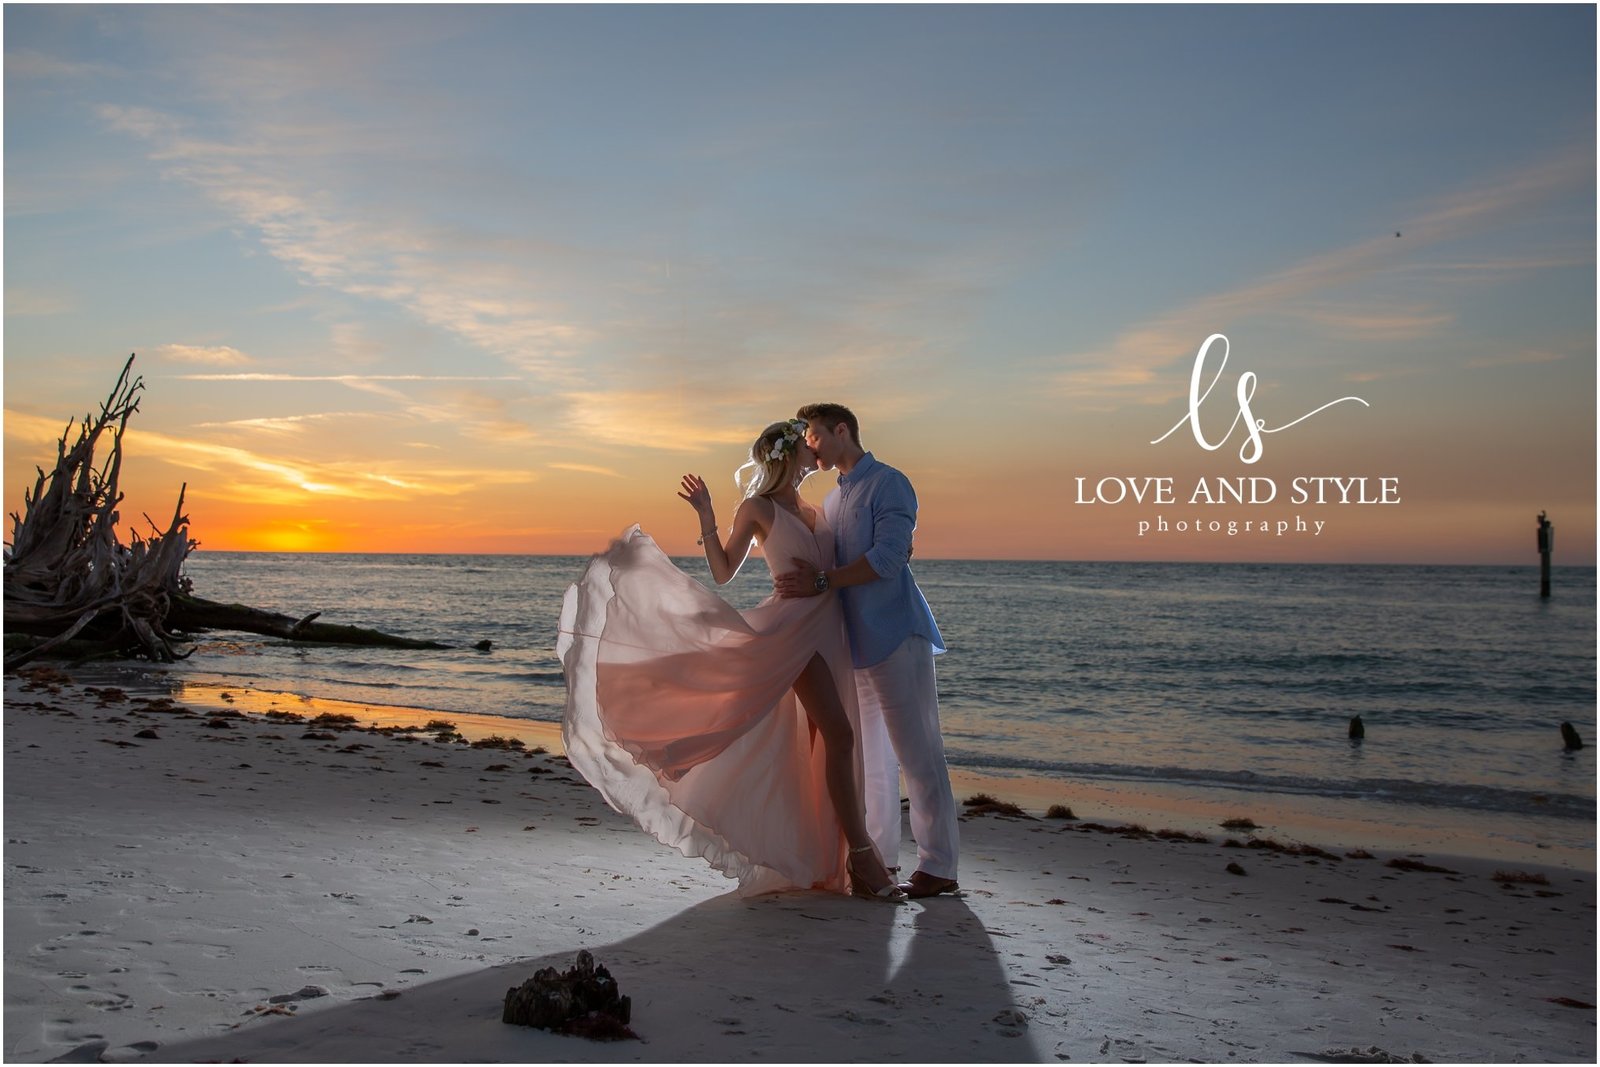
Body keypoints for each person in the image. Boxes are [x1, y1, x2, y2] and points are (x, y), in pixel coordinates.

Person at [556, 419, 904, 902]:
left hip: (831, 630)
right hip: (793, 633)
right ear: (787, 454)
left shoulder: (813, 507)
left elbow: (844, 561)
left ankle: (826, 857)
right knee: (841, 735)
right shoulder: (757, 507)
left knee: (821, 745)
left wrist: (895, 549)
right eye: (804, 444)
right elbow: (723, 572)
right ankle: (862, 858)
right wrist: (706, 516)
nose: (813, 450)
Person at [773, 403, 959, 899]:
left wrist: (822, 579)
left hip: (896, 633)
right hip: (852, 645)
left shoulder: (889, 482)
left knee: (918, 751)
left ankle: (939, 865)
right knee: (872, 762)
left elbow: (889, 557)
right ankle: (878, 861)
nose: (809, 444)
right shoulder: (833, 500)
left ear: (841, 431)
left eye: (814, 435)